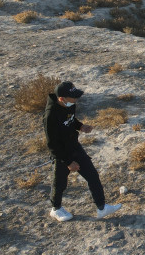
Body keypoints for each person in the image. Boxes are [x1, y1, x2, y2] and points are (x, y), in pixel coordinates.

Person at [44, 81, 122, 222]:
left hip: (74, 146)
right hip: (61, 154)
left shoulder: (70, 105)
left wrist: (80, 126)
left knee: (92, 175)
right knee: (60, 183)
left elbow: (71, 120)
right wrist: (68, 162)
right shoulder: (50, 116)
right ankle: (56, 209)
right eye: (73, 97)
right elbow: (52, 145)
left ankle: (102, 208)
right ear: (62, 98)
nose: (76, 99)